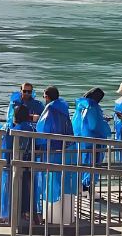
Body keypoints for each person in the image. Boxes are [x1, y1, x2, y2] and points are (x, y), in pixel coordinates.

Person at [35, 86, 77, 224]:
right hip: (66, 150)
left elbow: (42, 128)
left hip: (52, 150)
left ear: (47, 96)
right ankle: (66, 216)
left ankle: (52, 215)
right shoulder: (64, 108)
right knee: (65, 180)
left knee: (51, 179)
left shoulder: (50, 109)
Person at [71, 88, 111, 199]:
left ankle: (83, 189)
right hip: (93, 140)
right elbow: (93, 125)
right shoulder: (92, 107)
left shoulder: (83, 106)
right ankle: (90, 191)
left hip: (83, 140)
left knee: (84, 164)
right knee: (93, 166)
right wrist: (103, 122)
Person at [0, 104, 37, 223]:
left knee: (10, 187)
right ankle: (28, 212)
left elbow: (2, 144)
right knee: (28, 188)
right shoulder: (32, 128)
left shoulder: (9, 128)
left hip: (10, 164)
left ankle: (9, 214)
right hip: (29, 162)